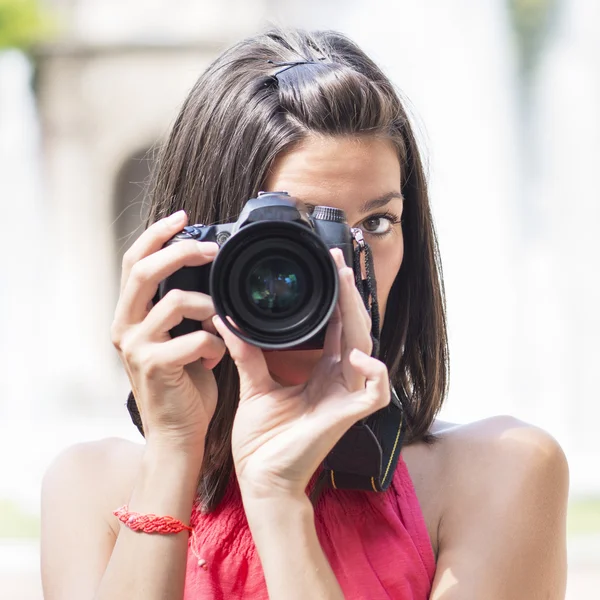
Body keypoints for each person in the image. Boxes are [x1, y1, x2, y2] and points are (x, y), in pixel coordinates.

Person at [40, 27, 569, 600]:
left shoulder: (500, 473)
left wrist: (279, 500)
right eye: (300, 234)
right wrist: (171, 451)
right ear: (200, 252)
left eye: (377, 223)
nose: (341, 267)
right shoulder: (88, 489)